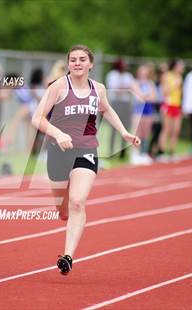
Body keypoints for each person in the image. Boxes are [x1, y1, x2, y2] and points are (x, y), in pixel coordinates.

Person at [32, 45, 140, 275]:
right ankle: (64, 214)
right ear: (68, 63)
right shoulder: (59, 86)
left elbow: (107, 110)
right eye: (73, 60)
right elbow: (37, 118)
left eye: (82, 59)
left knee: (78, 201)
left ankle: (68, 256)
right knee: (62, 209)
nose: (77, 63)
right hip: (59, 151)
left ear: (91, 64)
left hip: (87, 149)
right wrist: (58, 134)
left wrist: (124, 133)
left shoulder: (98, 89)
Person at [106, 58, 134, 159]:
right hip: (116, 103)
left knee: (125, 128)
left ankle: (123, 152)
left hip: (126, 103)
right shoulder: (112, 75)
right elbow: (115, 91)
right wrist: (125, 89)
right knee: (114, 128)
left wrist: (125, 89)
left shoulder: (128, 76)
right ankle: (111, 151)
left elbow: (131, 89)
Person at [157, 59, 185, 161]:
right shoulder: (166, 75)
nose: (182, 68)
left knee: (176, 130)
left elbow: (180, 94)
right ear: (175, 66)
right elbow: (164, 92)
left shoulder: (180, 77)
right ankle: (161, 153)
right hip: (168, 105)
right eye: (180, 66)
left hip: (177, 106)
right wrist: (175, 84)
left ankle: (172, 152)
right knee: (166, 129)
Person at [130, 64, 157, 165]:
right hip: (137, 111)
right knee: (137, 133)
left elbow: (154, 98)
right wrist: (146, 96)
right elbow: (139, 95)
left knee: (146, 133)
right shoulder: (135, 82)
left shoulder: (150, 83)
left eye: (145, 72)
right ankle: (134, 154)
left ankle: (143, 154)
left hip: (148, 111)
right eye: (141, 71)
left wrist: (146, 97)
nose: (143, 73)